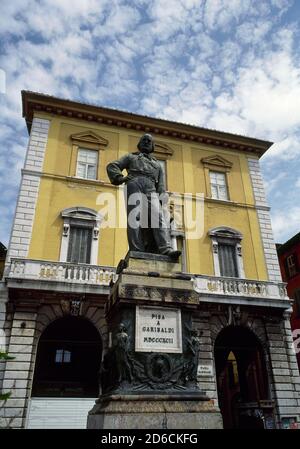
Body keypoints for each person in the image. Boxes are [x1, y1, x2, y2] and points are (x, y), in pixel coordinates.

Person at [106, 134, 181, 259]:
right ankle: (136, 249)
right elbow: (113, 166)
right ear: (139, 144)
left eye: (149, 141)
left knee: (158, 217)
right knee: (134, 217)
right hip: (134, 183)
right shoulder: (131, 157)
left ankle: (165, 249)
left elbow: (161, 184)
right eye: (144, 140)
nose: (146, 142)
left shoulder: (157, 165)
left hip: (151, 188)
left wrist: (162, 199)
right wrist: (121, 178)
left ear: (152, 146)